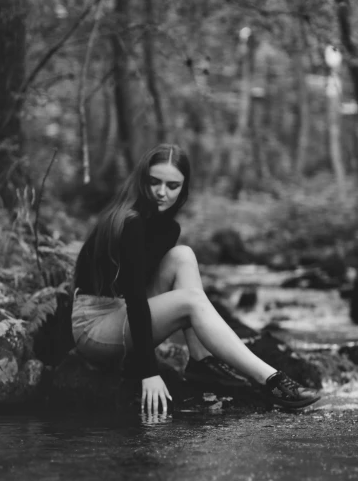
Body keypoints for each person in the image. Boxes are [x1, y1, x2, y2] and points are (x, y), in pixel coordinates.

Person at [72, 143, 320, 416]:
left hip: (121, 316)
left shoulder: (167, 228)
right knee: (191, 302)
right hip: (95, 327)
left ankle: (201, 360)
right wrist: (148, 372)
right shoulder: (129, 221)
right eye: (154, 182)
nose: (162, 192)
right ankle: (271, 380)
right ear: (143, 179)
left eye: (172, 185)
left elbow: (144, 287)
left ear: (183, 188)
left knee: (183, 256)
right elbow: (135, 298)